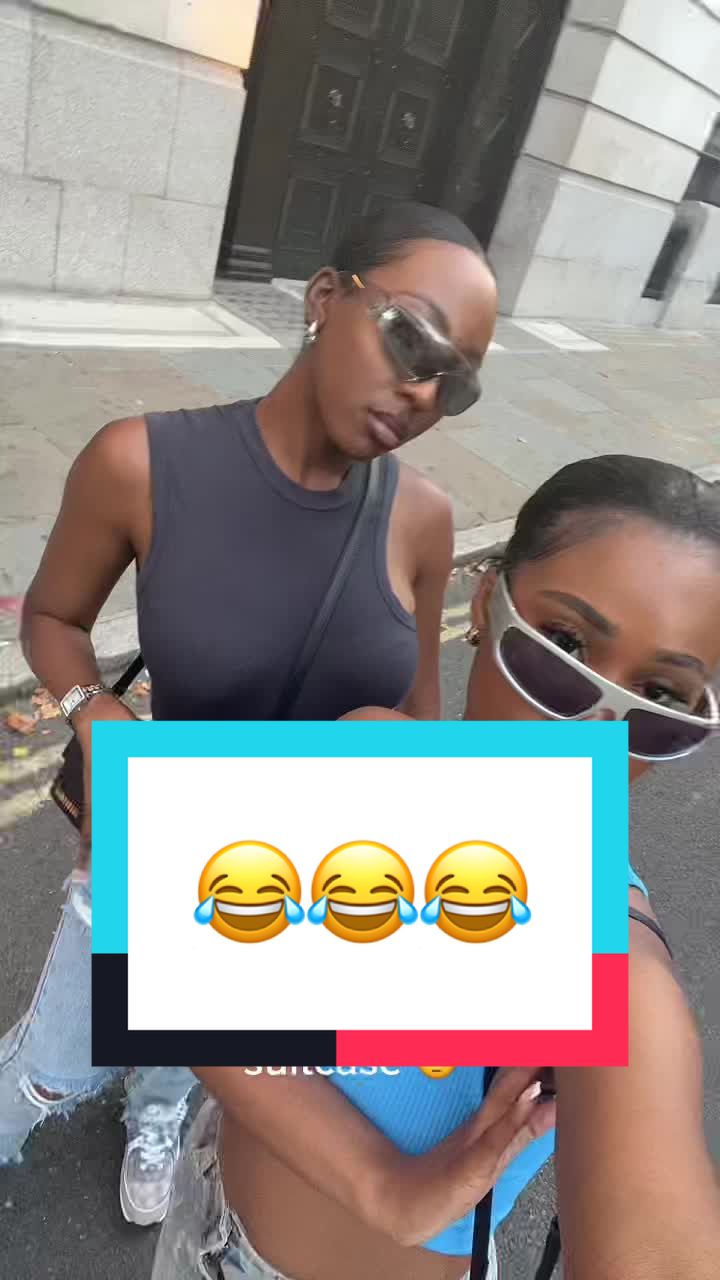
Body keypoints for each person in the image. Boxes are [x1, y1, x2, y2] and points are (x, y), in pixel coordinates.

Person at [1, 202, 497, 1224]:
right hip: (153, 850)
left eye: (455, 382)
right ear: (325, 299)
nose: (423, 390)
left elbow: (420, 721)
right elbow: (51, 618)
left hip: (297, 891)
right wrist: (97, 714)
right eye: (411, 340)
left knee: (197, 1062)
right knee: (52, 1064)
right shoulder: (141, 463)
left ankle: (156, 1109)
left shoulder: (424, 519)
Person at [152, 455, 720, 1280]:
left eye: (660, 702)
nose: (590, 735)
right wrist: (380, 1184)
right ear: (486, 603)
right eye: (562, 647)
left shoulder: (613, 968)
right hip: (206, 1214)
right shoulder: (367, 746)